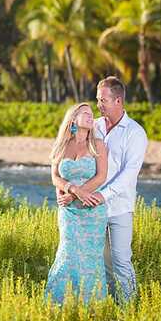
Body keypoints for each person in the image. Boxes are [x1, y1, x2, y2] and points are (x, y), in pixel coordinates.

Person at [57, 76, 148, 303]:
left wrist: (101, 195)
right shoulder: (93, 126)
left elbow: (129, 174)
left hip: (118, 208)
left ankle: (129, 309)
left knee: (120, 260)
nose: (99, 105)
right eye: (98, 99)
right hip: (90, 210)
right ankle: (107, 307)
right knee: (98, 262)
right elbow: (69, 162)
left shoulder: (135, 133)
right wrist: (71, 191)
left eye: (103, 100)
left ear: (118, 100)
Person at [45, 102, 109, 305]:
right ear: (73, 119)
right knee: (67, 253)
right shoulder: (62, 145)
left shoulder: (97, 145)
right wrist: (72, 190)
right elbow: (55, 177)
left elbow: (101, 177)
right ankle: (60, 304)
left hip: (92, 211)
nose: (91, 116)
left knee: (91, 259)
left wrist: (76, 193)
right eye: (85, 113)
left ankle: (92, 306)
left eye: (92, 113)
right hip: (69, 212)